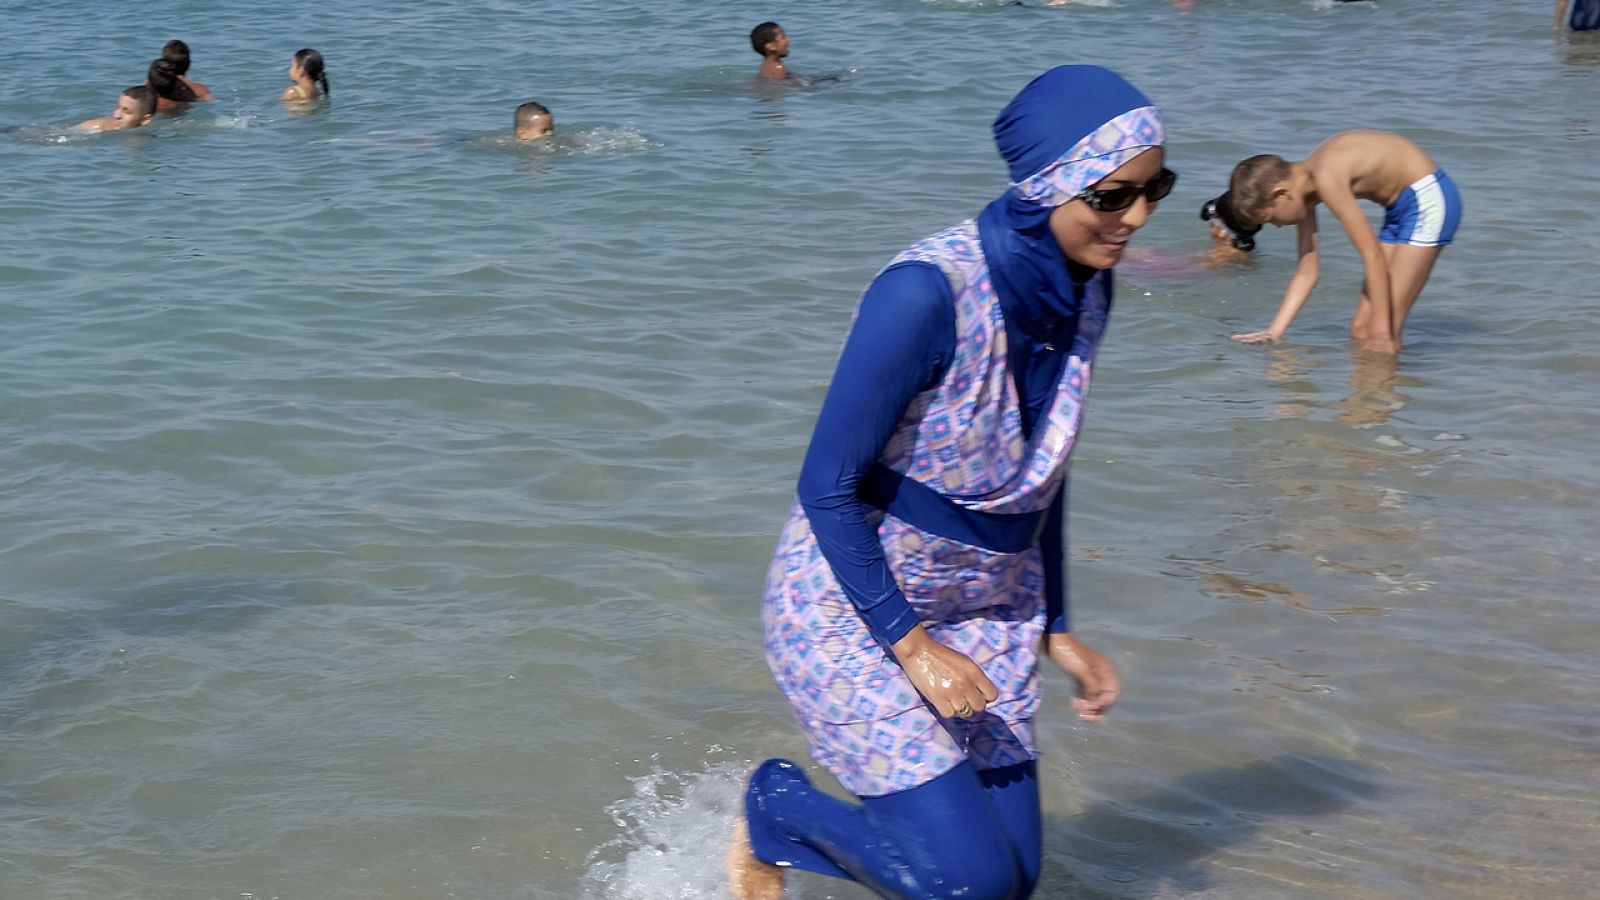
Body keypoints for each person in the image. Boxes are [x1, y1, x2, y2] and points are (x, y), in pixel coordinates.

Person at [728, 65, 1171, 900]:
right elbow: (827, 485)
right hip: (852, 609)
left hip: (988, 605)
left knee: (1014, 881)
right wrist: (912, 646)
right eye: (1113, 196)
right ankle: (776, 806)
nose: (1136, 219)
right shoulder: (925, 294)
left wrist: (1059, 626)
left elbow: (1046, 464)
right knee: (965, 887)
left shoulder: (1086, 289)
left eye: (1156, 191)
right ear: (1047, 187)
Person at [1225, 131, 1462, 353]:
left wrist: (1382, 335)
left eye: (1271, 218)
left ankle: (1388, 394)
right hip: (1399, 209)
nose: (1276, 226)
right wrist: (1274, 332)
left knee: (1383, 331)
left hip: (1429, 198)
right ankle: (1378, 390)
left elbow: (1372, 256)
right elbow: (1307, 272)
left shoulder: (1326, 177)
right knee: (1361, 330)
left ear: (1281, 194)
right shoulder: (1302, 192)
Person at [79, 85, 157, 132]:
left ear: (145, 119)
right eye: (118, 107)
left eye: (126, 112)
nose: (116, 115)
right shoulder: (98, 127)